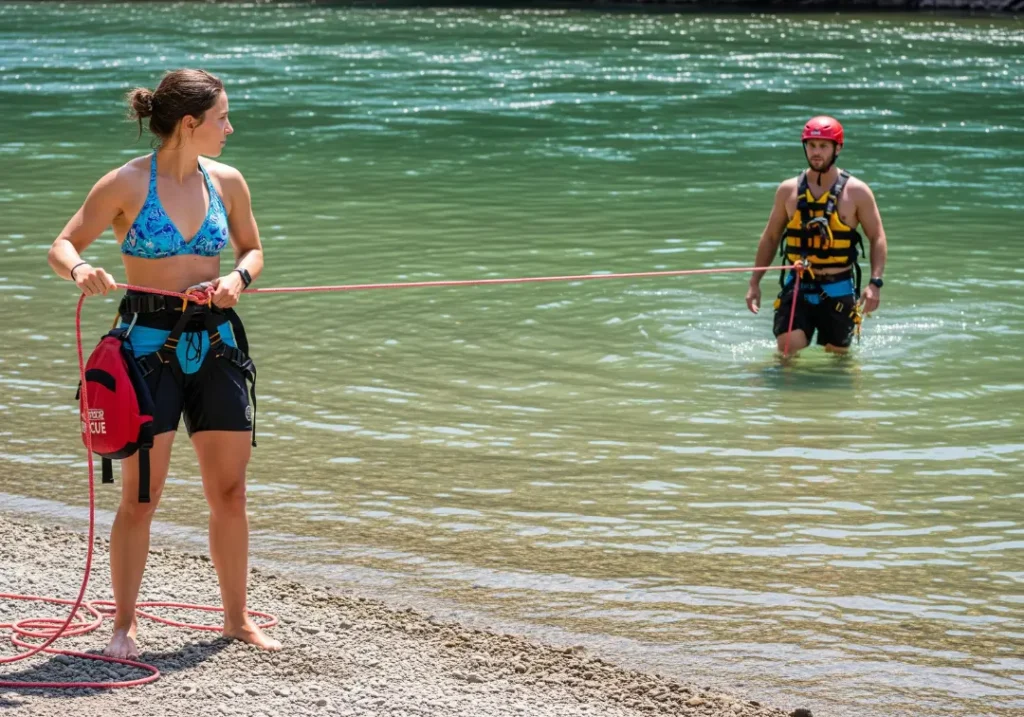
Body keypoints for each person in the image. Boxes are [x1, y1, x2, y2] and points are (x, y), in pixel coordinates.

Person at [47, 68, 280, 658]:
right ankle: (123, 625)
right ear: (188, 123)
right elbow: (63, 245)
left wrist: (236, 278)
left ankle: (235, 620)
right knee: (141, 498)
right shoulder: (126, 183)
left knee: (230, 493)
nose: (231, 127)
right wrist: (81, 270)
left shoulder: (228, 181)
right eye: (222, 117)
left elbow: (253, 250)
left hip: (219, 348)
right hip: (145, 352)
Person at [745, 116, 888, 356]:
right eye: (811, 146)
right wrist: (754, 283)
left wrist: (875, 283)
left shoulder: (857, 192)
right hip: (798, 285)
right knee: (787, 348)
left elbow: (877, 238)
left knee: (838, 358)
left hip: (839, 288)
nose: (816, 152)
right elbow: (770, 237)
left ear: (838, 148)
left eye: (823, 146)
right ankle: (785, 394)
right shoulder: (787, 190)